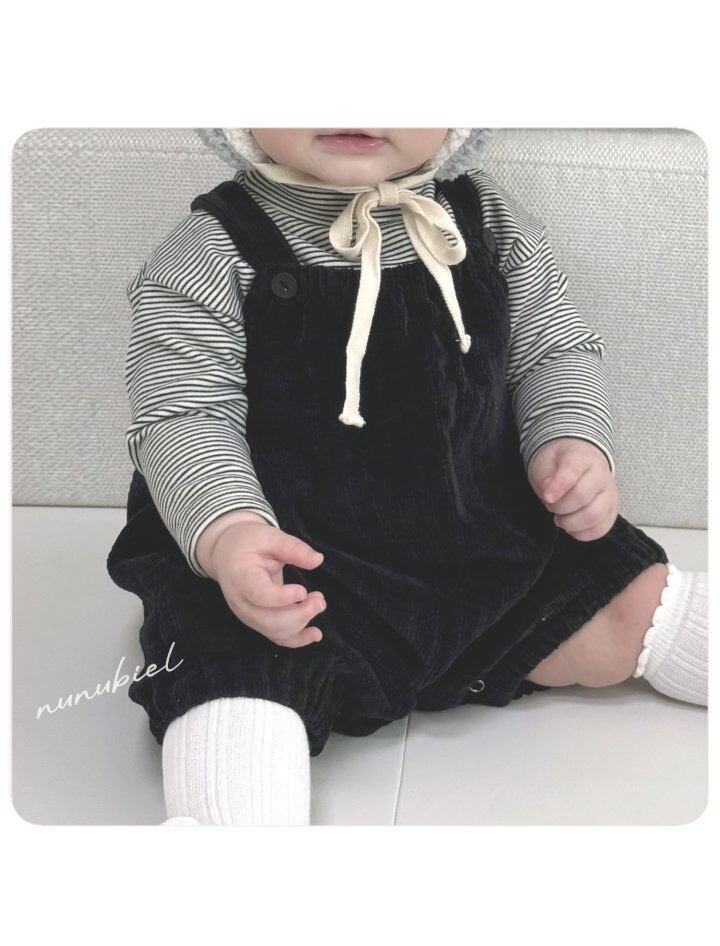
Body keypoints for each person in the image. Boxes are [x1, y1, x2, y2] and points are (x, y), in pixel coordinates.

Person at [106, 128, 708, 826]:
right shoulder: (209, 251)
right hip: (287, 568)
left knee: (632, 598)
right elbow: (183, 414)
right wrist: (228, 533)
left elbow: (552, 350)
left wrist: (570, 440)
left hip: (480, 534)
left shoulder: (486, 221)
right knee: (230, 681)